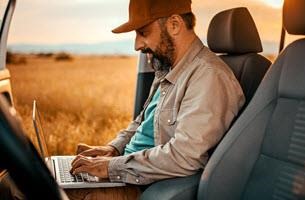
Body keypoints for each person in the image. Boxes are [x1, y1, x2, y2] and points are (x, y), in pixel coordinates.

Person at [67, 0, 245, 199]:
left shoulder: (209, 77)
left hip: (142, 184)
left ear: (174, 25)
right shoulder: (168, 68)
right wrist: (113, 148)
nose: (137, 45)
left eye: (143, 33)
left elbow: (184, 157)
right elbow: (143, 122)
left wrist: (110, 167)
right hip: (127, 170)